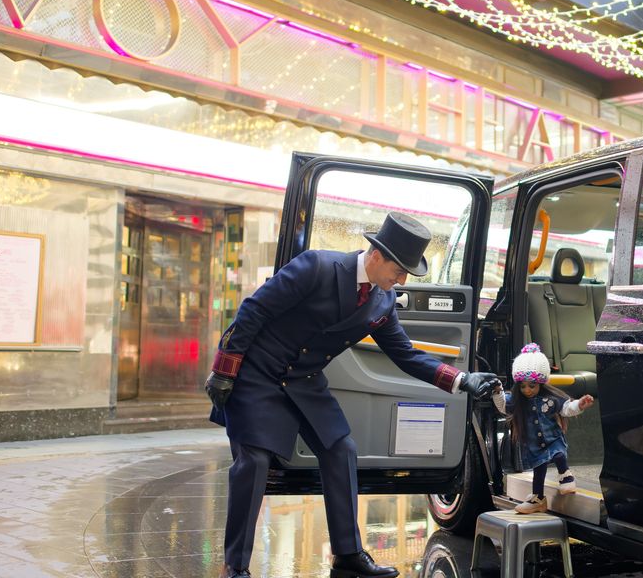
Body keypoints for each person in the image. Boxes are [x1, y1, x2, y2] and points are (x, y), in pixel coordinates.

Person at [204, 212, 500, 578]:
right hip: (259, 374)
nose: (402, 279)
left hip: (305, 381)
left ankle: (348, 555)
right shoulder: (317, 266)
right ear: (376, 255)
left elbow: (405, 355)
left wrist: (462, 379)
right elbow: (254, 310)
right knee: (254, 462)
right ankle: (235, 566)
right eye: (399, 270)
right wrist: (224, 369)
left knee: (341, 449)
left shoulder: (382, 302)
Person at [491, 343, 594, 514]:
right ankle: (538, 499)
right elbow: (503, 406)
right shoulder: (517, 401)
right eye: (522, 386)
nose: (527, 390)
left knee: (559, 455)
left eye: (532, 385)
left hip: (552, 439)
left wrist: (580, 404)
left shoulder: (551, 399)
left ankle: (566, 476)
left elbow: (567, 408)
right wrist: (497, 392)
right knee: (539, 471)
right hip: (534, 446)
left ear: (541, 383)